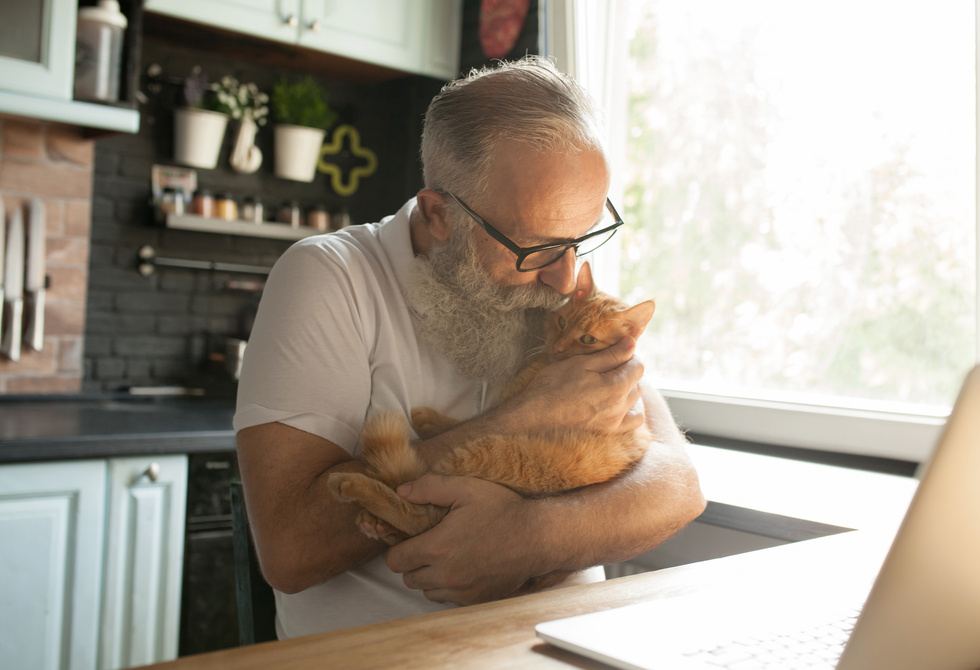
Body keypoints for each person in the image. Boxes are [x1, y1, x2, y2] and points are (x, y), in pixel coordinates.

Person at [234, 56, 706, 638]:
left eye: (582, 239)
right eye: (534, 247)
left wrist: (525, 539)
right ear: (439, 215)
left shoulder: (560, 294)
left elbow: (676, 488)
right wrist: (528, 416)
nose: (565, 280)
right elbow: (289, 550)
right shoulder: (331, 278)